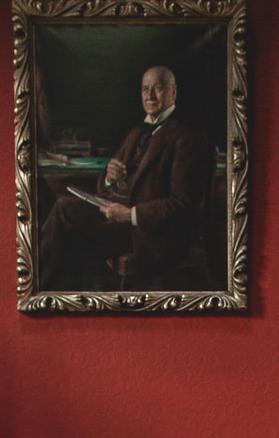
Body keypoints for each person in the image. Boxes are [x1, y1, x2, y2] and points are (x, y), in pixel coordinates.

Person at [38, 66, 213, 293]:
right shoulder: (138, 131)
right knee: (63, 206)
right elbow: (107, 183)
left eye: (157, 89)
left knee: (71, 239)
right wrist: (109, 178)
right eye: (145, 89)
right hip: (117, 216)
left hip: (151, 233)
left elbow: (182, 205)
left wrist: (129, 215)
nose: (149, 96)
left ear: (173, 92)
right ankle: (40, 288)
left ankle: (47, 294)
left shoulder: (188, 137)